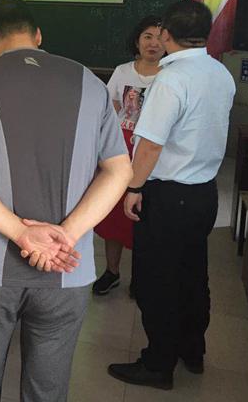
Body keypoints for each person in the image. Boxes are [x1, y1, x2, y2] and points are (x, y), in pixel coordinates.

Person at [0, 0, 132, 402]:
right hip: (68, 264)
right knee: (48, 387)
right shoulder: (90, 83)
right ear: (38, 36)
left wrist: (22, 234)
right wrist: (66, 235)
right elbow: (119, 171)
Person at [108, 0, 235, 390]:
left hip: (168, 194)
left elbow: (149, 145)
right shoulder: (220, 73)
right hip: (203, 193)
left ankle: (158, 363)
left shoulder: (171, 79)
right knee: (192, 274)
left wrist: (133, 187)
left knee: (156, 279)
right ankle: (192, 351)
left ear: (166, 35)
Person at [93, 16, 164, 296]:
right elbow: (109, 109)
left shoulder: (170, 76)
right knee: (114, 215)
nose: (153, 43)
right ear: (137, 41)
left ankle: (141, 277)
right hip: (120, 150)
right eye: (147, 36)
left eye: (159, 37)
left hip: (151, 152)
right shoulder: (122, 72)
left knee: (143, 217)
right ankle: (112, 271)